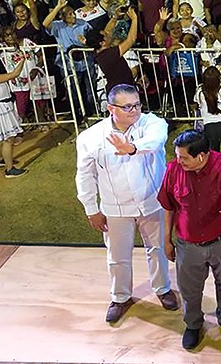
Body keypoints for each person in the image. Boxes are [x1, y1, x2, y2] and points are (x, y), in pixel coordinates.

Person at [76, 83, 177, 323]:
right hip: (115, 206)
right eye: (127, 106)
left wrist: (132, 148)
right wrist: (91, 209)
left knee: (158, 248)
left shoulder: (153, 123)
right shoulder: (90, 137)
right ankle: (120, 296)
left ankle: (163, 288)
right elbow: (84, 175)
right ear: (111, 108)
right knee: (118, 255)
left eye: (137, 105)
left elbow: (155, 141)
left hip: (152, 201)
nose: (134, 111)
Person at [158, 129, 221, 350]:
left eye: (184, 157)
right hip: (188, 244)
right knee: (189, 288)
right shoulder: (173, 170)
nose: (179, 161)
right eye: (177, 156)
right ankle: (193, 324)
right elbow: (168, 207)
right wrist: (166, 240)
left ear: (201, 156)